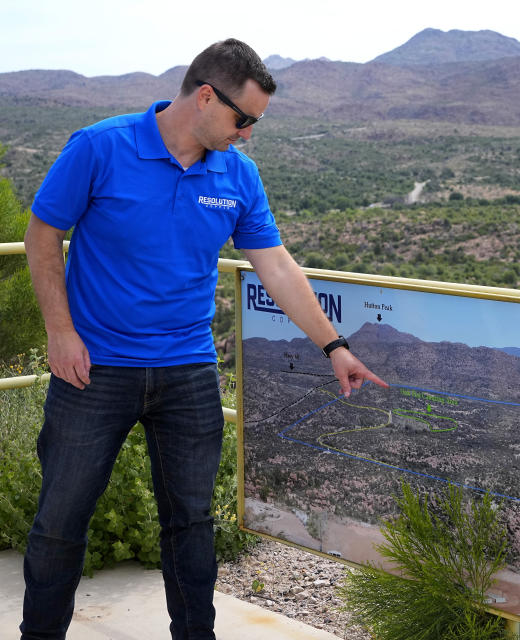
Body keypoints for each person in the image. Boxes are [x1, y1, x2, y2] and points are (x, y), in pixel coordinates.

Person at [20, 38, 387, 640]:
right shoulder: (100, 146)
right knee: (61, 522)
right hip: (93, 369)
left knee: (191, 524)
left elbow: (277, 267)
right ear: (206, 97)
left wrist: (334, 345)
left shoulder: (237, 173)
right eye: (244, 119)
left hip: (187, 372)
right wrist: (59, 333)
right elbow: (42, 236)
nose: (248, 134)